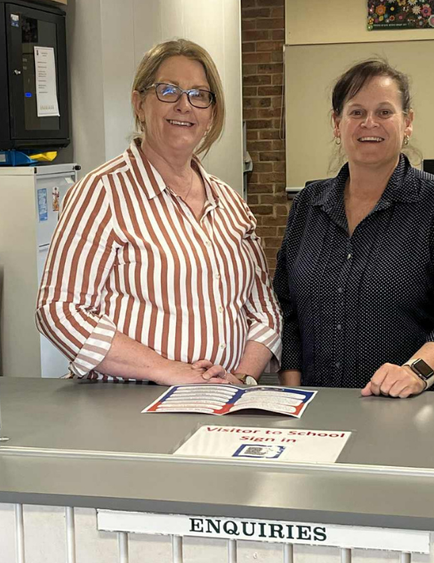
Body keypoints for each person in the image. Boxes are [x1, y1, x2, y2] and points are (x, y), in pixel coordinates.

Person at [36, 39, 282, 386]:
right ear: (139, 103)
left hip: (222, 399)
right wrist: (166, 370)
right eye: (168, 91)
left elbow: (265, 311)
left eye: (199, 95)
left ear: (211, 114)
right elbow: (59, 310)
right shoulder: (102, 192)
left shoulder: (230, 203)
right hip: (129, 404)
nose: (184, 105)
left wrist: (240, 377)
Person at [273, 59, 434, 398]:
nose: (369, 123)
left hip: (410, 406)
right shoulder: (307, 205)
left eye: (384, 112)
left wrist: (415, 372)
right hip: (316, 406)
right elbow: (288, 309)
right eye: (356, 112)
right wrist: (293, 395)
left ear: (408, 122)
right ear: (337, 124)